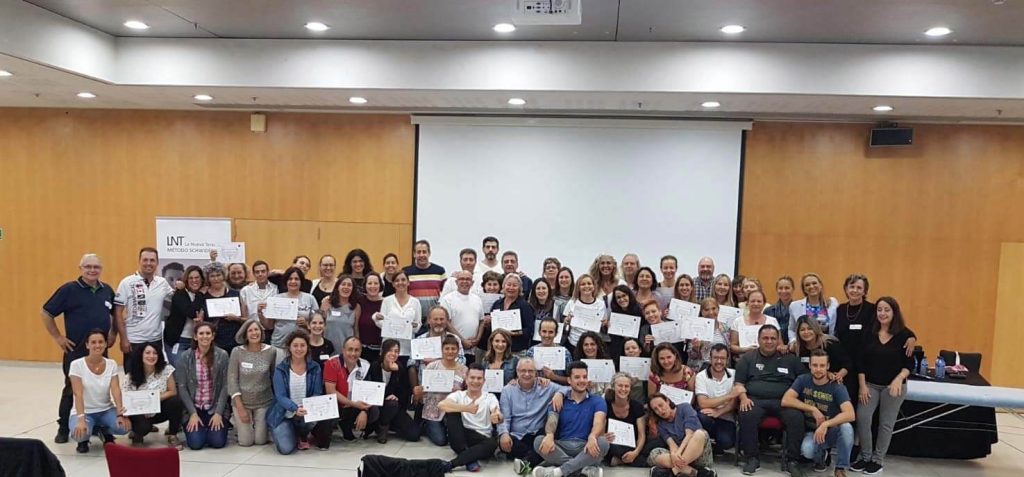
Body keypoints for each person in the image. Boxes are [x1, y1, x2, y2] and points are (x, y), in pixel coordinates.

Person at [41, 253, 116, 444]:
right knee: (71, 388)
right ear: (80, 268)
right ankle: (63, 427)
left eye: (96, 267)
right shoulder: (69, 290)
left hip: (99, 350)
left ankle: (99, 426)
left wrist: (113, 333)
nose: (92, 270)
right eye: (88, 266)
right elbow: (46, 312)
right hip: (75, 350)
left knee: (101, 387)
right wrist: (58, 337)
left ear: (101, 269)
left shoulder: (107, 290)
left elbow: (115, 314)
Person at [850, 297, 915, 475]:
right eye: (879, 309)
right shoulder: (869, 332)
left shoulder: (904, 335)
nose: (882, 313)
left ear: (894, 312)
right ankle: (865, 456)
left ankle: (877, 460)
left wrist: (899, 379)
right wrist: (862, 385)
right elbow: (860, 361)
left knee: (886, 423)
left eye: (887, 310)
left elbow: (909, 364)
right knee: (863, 418)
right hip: (870, 384)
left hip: (893, 386)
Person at [733, 324, 804, 476]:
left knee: (796, 417)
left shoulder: (790, 359)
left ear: (778, 340)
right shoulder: (748, 358)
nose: (769, 341)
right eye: (765, 338)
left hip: (784, 401)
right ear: (758, 340)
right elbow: (738, 383)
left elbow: (803, 381)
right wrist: (743, 398)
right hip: (755, 400)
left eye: (773, 338)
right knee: (747, 414)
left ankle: (792, 461)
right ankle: (752, 459)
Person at [833, 274, 916, 403]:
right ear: (846, 289)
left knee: (863, 402)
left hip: (865, 365)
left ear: (865, 291)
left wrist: (912, 336)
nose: (855, 290)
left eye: (859, 288)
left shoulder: (872, 309)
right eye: (852, 286)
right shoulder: (840, 310)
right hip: (844, 364)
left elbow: (894, 324)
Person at [782, 350, 856, 477]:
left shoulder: (836, 386)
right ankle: (821, 458)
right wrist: (813, 409)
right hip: (811, 431)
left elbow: (850, 414)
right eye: (815, 365)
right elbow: (786, 400)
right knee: (807, 450)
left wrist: (826, 424)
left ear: (828, 366)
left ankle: (840, 468)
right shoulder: (803, 380)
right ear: (809, 365)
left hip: (830, 430)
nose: (818, 369)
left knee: (846, 427)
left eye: (822, 366)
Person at [533, 361, 610, 477]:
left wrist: (593, 436)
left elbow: (599, 422)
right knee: (538, 441)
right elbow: (552, 420)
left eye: (585, 377)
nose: (582, 380)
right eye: (577, 377)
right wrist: (549, 435)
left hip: (586, 446)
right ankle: (583, 469)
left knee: (603, 443)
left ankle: (559, 471)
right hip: (563, 446)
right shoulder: (558, 400)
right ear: (569, 380)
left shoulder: (598, 400)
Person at [267, 330, 337, 454]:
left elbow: (317, 392)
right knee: (285, 449)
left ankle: (302, 434)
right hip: (284, 414)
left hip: (306, 412)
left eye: (302, 345)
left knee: (313, 421)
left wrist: (307, 407)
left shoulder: (315, 367)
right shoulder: (280, 369)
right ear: (289, 347)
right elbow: (280, 396)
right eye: (295, 345)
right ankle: (291, 432)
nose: (299, 349)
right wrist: (295, 408)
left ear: (307, 347)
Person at [498, 358, 568, 476]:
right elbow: (505, 417)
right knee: (503, 442)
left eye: (530, 371)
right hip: (518, 437)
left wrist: (559, 393)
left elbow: (568, 389)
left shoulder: (545, 386)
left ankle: (527, 462)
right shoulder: (507, 390)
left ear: (536, 372)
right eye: (523, 371)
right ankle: (541, 457)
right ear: (517, 372)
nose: (527, 374)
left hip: (537, 435)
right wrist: (504, 434)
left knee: (551, 431)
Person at [67, 329, 130, 453]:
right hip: (85, 411)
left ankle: (104, 431)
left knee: (124, 428)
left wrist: (120, 414)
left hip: (106, 409)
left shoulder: (111, 364)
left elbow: (116, 390)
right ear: (87, 345)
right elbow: (78, 394)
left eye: (101, 342)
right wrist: (81, 419)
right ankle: (87, 437)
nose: (97, 345)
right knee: (79, 435)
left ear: (105, 344)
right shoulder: (76, 365)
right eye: (93, 342)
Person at [115, 247, 174, 373]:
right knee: (133, 378)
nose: (148, 263)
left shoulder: (162, 283)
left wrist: (182, 286)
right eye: (145, 260)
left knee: (155, 378)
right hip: (133, 340)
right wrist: (123, 339)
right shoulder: (126, 282)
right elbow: (118, 313)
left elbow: (176, 298)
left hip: (155, 340)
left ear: (157, 263)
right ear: (139, 261)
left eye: (152, 260)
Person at [437, 364, 503, 472]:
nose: (475, 381)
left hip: (482, 438)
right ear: (466, 379)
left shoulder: (490, 397)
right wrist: (467, 408)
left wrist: (497, 417)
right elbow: (441, 405)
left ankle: (452, 464)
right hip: (461, 437)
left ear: (484, 381)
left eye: (479, 378)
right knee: (451, 411)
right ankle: (469, 456)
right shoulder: (459, 395)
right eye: (472, 377)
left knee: (492, 443)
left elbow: (497, 412)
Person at [176, 322, 229, 450]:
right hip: (194, 408)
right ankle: (200, 430)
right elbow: (182, 387)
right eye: (201, 333)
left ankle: (210, 430)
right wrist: (193, 413)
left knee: (217, 442)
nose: (204, 336)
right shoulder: (185, 357)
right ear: (195, 336)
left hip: (214, 407)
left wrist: (218, 413)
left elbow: (225, 386)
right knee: (196, 444)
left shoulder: (222, 355)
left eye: (208, 333)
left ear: (213, 336)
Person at [227, 318, 276, 447]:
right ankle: (236, 419)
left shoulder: (271, 351)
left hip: (264, 401)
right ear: (245, 334)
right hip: (242, 402)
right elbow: (232, 380)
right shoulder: (237, 352)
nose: (254, 333)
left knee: (260, 441)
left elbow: (274, 376)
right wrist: (240, 407)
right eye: (250, 330)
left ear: (261, 332)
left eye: (256, 329)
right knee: (246, 442)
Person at [124, 342, 183, 447]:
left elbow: (172, 391)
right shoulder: (131, 374)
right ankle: (137, 434)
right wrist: (142, 407)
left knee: (176, 401)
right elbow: (126, 398)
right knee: (143, 427)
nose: (151, 356)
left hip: (158, 410)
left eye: (155, 353)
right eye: (147, 353)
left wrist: (153, 399)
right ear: (141, 355)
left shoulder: (166, 369)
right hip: (140, 412)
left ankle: (173, 435)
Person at [648, 393, 716, 477]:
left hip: (697, 453)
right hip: (680, 456)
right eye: (656, 409)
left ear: (667, 401)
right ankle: (696, 473)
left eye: (661, 405)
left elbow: (689, 434)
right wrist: (674, 454)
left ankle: (673, 472)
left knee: (700, 434)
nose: (660, 410)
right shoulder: (661, 424)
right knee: (654, 453)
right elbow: (671, 444)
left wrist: (678, 453)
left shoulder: (685, 408)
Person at [365, 339, 417, 443]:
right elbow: (370, 391)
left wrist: (396, 373)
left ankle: (390, 424)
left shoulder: (400, 368)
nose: (393, 354)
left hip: (395, 408)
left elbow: (404, 395)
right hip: (377, 407)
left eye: (396, 351)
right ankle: (381, 427)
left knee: (414, 434)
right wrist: (386, 396)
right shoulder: (374, 366)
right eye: (390, 350)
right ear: (382, 352)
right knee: (390, 404)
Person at [324, 336, 375, 441]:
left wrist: (364, 411)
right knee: (324, 437)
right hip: (336, 403)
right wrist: (354, 404)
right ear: (343, 350)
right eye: (350, 349)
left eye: (357, 350)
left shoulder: (366, 365)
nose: (353, 353)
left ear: (361, 351)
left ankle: (350, 426)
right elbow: (330, 391)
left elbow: (368, 393)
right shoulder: (331, 363)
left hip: (354, 405)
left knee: (374, 411)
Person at [694, 344, 737, 455]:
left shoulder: (734, 374)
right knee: (702, 416)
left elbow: (733, 403)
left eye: (722, 358)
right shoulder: (701, 376)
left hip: (726, 416)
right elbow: (703, 403)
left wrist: (719, 411)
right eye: (715, 358)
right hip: (707, 415)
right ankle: (703, 443)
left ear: (727, 360)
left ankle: (715, 446)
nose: (719, 361)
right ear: (710, 359)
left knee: (727, 442)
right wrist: (729, 396)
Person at [261, 266, 318, 349]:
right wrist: (260, 313)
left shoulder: (310, 298)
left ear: (301, 281)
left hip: (302, 345)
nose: (293, 281)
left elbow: (318, 322)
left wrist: (306, 324)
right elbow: (269, 326)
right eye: (290, 279)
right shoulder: (277, 299)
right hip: (279, 344)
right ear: (286, 281)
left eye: (296, 279)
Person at [374, 269, 423, 362]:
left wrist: (414, 326)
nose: (400, 282)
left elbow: (418, 324)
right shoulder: (386, 301)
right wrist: (379, 319)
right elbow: (381, 323)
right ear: (393, 284)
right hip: (389, 349)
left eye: (403, 280)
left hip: (407, 349)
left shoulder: (415, 302)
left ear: (408, 282)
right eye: (397, 280)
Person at [604, 373, 649, 467]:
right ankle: (633, 460)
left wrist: (635, 452)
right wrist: (604, 436)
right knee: (605, 445)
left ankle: (620, 460)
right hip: (613, 444)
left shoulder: (637, 406)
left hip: (632, 445)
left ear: (630, 388)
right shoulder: (605, 404)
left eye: (626, 386)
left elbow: (641, 435)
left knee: (649, 445)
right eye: (620, 385)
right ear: (613, 387)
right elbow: (600, 430)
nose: (623, 389)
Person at [440, 270, 485, 362]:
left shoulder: (477, 299)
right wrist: (462, 340)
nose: (465, 281)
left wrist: (477, 339)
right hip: (454, 348)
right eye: (461, 279)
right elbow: (446, 322)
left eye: (468, 279)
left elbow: (482, 321)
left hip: (472, 348)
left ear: (472, 282)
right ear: (456, 282)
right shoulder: (447, 299)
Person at [202, 262, 247, 353]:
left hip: (235, 341)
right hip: (214, 342)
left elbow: (246, 319)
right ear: (208, 278)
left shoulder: (235, 294)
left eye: (218, 275)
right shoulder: (203, 296)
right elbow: (201, 321)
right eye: (212, 276)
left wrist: (236, 318)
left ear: (224, 276)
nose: (216, 279)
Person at [166, 265, 205, 365]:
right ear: (186, 280)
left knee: (194, 371)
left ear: (202, 279)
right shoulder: (180, 294)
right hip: (178, 340)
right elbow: (192, 313)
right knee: (179, 370)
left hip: (197, 341)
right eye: (191, 278)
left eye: (197, 277)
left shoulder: (206, 294)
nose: (194, 280)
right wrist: (200, 294)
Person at [491, 273, 537, 355]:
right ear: (503, 286)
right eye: (508, 284)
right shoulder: (497, 304)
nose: (511, 288)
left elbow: (529, 330)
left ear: (520, 288)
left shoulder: (525, 306)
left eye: (515, 285)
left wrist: (514, 333)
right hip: (498, 350)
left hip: (517, 351)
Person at [563, 274, 607, 355]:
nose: (586, 286)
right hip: (574, 343)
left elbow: (603, 324)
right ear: (578, 287)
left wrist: (604, 323)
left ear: (594, 286)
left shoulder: (601, 304)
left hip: (593, 345)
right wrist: (567, 321)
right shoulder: (572, 302)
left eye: (589, 283)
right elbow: (565, 324)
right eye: (583, 284)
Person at [788, 273, 839, 341]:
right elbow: (791, 329)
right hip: (805, 344)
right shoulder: (795, 306)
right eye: (807, 285)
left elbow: (836, 328)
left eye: (814, 283)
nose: (811, 286)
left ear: (820, 285)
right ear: (804, 289)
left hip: (828, 343)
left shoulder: (833, 302)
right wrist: (793, 341)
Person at [729, 291, 780, 358]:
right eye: (752, 301)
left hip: (770, 359)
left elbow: (779, 344)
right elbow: (732, 346)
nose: (756, 304)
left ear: (764, 304)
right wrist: (745, 349)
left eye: (759, 301)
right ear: (747, 303)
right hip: (745, 359)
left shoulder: (772, 321)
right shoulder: (738, 321)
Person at [686, 298, 731, 371]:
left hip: (722, 367)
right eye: (706, 310)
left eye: (714, 308)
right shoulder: (694, 327)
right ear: (701, 312)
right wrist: (695, 348)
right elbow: (691, 356)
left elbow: (729, 351)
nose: (711, 312)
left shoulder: (726, 328)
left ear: (718, 309)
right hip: (701, 368)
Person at [405, 239, 448, 316]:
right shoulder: (406, 272)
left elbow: (447, 294)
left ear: (429, 253)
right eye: (418, 252)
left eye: (424, 252)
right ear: (414, 254)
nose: (421, 255)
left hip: (434, 318)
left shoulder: (439, 271)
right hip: (413, 317)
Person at [321, 274, 361, 351]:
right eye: (343, 284)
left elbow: (356, 330)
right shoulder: (327, 303)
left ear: (353, 289)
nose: (346, 287)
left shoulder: (356, 307)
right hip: (327, 349)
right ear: (337, 287)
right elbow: (320, 326)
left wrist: (356, 349)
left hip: (347, 351)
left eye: (349, 285)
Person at [241, 260, 277, 343]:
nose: (260, 274)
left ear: (268, 272)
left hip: (270, 331)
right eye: (257, 272)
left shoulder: (276, 289)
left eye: (263, 271)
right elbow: (244, 315)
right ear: (253, 274)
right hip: (252, 330)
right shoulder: (246, 290)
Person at [528, 319, 571, 385]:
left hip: (559, 389)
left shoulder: (565, 353)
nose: (547, 335)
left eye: (551, 332)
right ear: (539, 332)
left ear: (556, 334)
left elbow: (571, 380)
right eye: (544, 331)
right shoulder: (531, 352)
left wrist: (554, 377)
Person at [356, 272, 386, 362]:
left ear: (380, 285)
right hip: (362, 351)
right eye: (369, 283)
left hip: (381, 351)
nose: (373, 286)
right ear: (365, 286)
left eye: (376, 283)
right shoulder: (359, 301)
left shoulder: (387, 303)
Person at [608, 285, 642, 361]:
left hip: (635, 350)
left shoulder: (639, 311)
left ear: (629, 296)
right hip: (618, 350)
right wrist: (608, 326)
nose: (622, 299)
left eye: (624, 295)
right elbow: (612, 336)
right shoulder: (614, 314)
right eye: (618, 297)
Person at [573, 332, 613, 396]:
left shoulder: (608, 364)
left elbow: (610, 388)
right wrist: (584, 388)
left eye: (592, 344)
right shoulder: (576, 366)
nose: (589, 347)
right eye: (586, 345)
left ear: (597, 346)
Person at [764, 275, 796, 345]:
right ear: (776, 290)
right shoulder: (768, 311)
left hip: (794, 346)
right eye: (780, 288)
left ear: (793, 289)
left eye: (787, 288)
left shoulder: (798, 309)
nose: (783, 291)